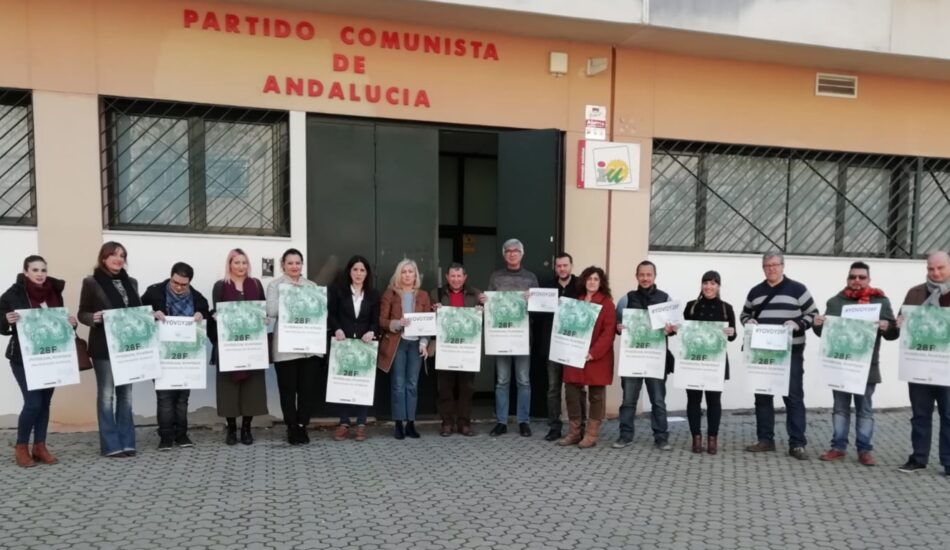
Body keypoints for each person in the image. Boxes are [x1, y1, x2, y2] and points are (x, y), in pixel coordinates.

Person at [813, 261, 898, 466]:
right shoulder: (835, 302)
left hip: (867, 367)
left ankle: (864, 450)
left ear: (868, 279)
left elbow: (893, 333)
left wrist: (887, 326)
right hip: (840, 366)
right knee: (840, 409)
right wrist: (818, 325)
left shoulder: (880, 301)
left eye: (861, 277)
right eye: (853, 277)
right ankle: (838, 447)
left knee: (864, 410)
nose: (857, 281)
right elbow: (825, 334)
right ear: (847, 279)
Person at [741, 251, 818, 460]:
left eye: (775, 265)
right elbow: (744, 314)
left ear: (783, 266)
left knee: (793, 397)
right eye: (767, 266)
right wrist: (748, 322)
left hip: (790, 351)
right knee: (763, 396)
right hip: (762, 353)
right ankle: (765, 440)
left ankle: (797, 443)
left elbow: (813, 315)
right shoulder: (755, 292)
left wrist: (798, 323)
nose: (771, 269)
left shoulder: (798, 289)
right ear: (763, 268)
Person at [1, 255, 77, 467]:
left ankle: (40, 446)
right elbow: (0, 320)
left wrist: (71, 323)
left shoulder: (54, 292)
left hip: (50, 357)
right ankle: (21, 447)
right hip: (23, 358)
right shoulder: (14, 293)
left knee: (44, 403)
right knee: (33, 403)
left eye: (43, 270)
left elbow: (59, 324)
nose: (40, 274)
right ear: (26, 272)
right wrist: (5, 320)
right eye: (35, 270)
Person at [79, 241, 153, 458]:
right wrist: (94, 318)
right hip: (104, 346)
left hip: (129, 346)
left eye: (122, 255)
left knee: (126, 395)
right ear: (104, 258)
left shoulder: (132, 282)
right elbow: (83, 312)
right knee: (106, 395)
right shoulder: (91, 282)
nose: (119, 259)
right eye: (114, 255)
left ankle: (127, 442)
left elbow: (137, 311)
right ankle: (111, 445)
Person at [141, 262, 211, 451]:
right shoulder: (154, 293)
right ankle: (165, 437)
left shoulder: (197, 298)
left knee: (182, 398)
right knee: (164, 397)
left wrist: (201, 314)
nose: (179, 287)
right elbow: (139, 314)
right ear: (170, 277)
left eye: (183, 284)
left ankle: (181, 434)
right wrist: (151, 314)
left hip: (187, 357)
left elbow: (207, 316)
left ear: (189, 283)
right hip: (161, 355)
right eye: (175, 283)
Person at [896, 251, 950, 474]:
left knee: (948, 416)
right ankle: (918, 458)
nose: (935, 273)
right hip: (918, 365)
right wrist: (897, 323)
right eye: (930, 268)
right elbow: (898, 324)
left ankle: (948, 462)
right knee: (920, 415)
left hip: (947, 369)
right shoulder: (915, 293)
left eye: (940, 268)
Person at [613, 260, 676, 450]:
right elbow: (617, 326)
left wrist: (670, 329)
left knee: (658, 400)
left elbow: (673, 328)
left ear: (654, 276)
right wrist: (619, 328)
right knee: (628, 400)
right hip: (633, 358)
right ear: (636, 276)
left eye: (649, 275)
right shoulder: (626, 299)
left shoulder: (665, 299)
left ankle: (661, 437)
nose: (645, 278)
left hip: (655, 359)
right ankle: (625, 435)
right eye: (642, 275)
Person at [480, 238, 539, 437]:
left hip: (522, 338)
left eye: (516, 251)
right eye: (508, 251)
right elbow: (489, 306)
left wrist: (533, 300)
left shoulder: (531, 278)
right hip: (500, 337)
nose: (512, 254)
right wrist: (484, 301)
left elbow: (539, 308)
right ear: (504, 254)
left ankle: (524, 421)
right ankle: (501, 422)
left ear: (522, 254)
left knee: (523, 381)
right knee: (502, 381)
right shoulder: (495, 277)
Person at [211, 248, 268, 446]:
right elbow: (216, 310)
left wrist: (264, 318)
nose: (241, 266)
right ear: (230, 265)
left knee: (252, 389)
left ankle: (246, 428)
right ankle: (231, 429)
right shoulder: (220, 286)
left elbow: (262, 307)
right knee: (229, 389)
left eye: (244, 263)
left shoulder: (256, 284)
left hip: (252, 346)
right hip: (230, 347)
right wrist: (216, 317)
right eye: (237, 263)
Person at [266, 249, 321, 446]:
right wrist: (292, 298)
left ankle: (302, 426)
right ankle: (291, 426)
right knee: (288, 391)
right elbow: (271, 310)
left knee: (306, 390)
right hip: (286, 349)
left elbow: (318, 311)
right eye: (290, 263)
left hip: (308, 347)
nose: (294, 266)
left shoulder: (312, 286)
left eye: (298, 263)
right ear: (283, 265)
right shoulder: (275, 285)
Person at [558, 266, 615, 449]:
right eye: (589, 279)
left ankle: (591, 434)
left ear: (601, 283)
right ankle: (575, 432)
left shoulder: (607, 304)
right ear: (584, 281)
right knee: (571, 391)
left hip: (596, 357)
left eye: (596, 279)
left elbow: (608, 333)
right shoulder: (575, 302)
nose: (592, 282)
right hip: (575, 354)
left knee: (596, 396)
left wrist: (593, 352)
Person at [682, 271, 737, 455]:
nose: (709, 287)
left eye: (713, 283)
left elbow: (733, 335)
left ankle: (712, 438)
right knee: (693, 400)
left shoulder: (726, 308)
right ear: (701, 285)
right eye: (706, 283)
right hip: (694, 360)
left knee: (714, 401)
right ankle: (696, 438)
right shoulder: (691, 307)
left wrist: (731, 332)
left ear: (718, 286)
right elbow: (684, 333)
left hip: (715, 362)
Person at [328, 255, 380, 442]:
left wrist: (372, 332)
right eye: (355, 270)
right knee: (343, 385)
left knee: (362, 385)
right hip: (344, 344)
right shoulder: (338, 291)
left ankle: (361, 424)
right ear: (349, 272)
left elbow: (375, 320)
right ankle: (343, 422)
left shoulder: (373, 294)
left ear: (367, 273)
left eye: (362, 270)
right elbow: (331, 314)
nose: (358, 274)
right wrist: (338, 329)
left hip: (364, 346)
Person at [379, 259, 432, 439]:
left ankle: (411, 423)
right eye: (404, 272)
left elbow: (428, 322)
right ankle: (398, 423)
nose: (407, 275)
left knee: (412, 385)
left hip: (416, 344)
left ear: (415, 275)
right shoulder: (390, 294)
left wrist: (424, 342)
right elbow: (382, 321)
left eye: (411, 272)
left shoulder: (423, 295)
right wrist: (396, 323)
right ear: (398, 275)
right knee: (398, 385)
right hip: (398, 343)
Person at [430, 263, 481, 436]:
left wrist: (482, 310)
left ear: (465, 277)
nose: (456, 279)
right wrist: (434, 311)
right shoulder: (436, 294)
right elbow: (429, 319)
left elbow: (485, 319)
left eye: (459, 276)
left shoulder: (476, 294)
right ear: (447, 277)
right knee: (445, 386)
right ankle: (446, 422)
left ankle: (464, 423)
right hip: (446, 348)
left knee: (467, 387)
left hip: (467, 348)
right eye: (452, 276)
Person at [543, 252, 586, 442]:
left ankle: (578, 427)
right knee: (553, 388)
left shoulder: (580, 286)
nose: (562, 269)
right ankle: (554, 427)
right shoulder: (546, 287)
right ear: (555, 267)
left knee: (577, 387)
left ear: (571, 266)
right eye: (559, 266)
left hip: (574, 345)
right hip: (552, 346)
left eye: (565, 265)